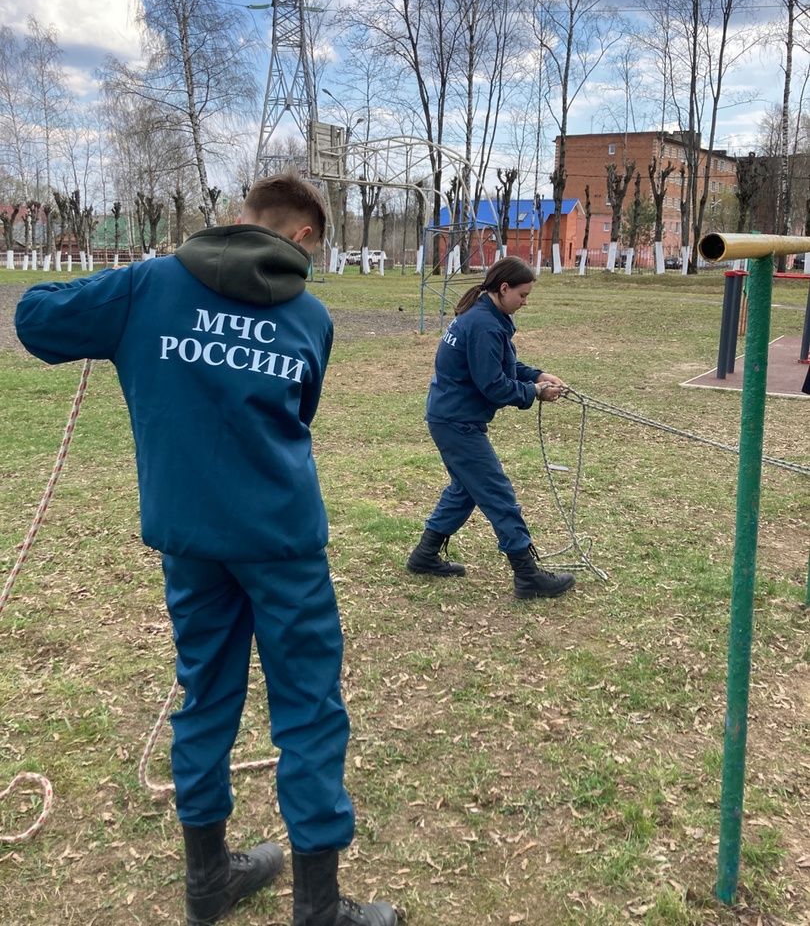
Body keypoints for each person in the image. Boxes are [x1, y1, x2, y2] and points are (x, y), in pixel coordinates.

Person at [15, 174, 397, 926]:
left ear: (237, 220)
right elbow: (300, 411)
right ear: (305, 238)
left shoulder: (148, 284)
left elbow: (35, 317)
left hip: (189, 540)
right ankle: (315, 908)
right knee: (309, 714)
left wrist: (130, 293)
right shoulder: (310, 315)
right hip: (282, 543)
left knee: (205, 700)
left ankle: (207, 882)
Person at [406, 255, 576, 600]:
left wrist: (537, 375)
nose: (525, 303)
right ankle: (527, 575)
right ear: (503, 288)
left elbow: (503, 364)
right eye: (523, 295)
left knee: (465, 489)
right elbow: (493, 384)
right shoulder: (484, 324)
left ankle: (424, 555)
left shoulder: (487, 316)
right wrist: (535, 393)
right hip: (457, 422)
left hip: (450, 416)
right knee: (498, 494)